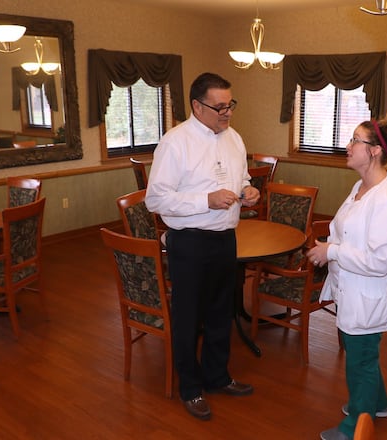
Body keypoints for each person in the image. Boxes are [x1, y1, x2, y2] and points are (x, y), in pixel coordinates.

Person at [145, 72, 261, 421]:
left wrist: (249, 190)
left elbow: (241, 178)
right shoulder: (174, 142)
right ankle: (191, 388)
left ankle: (217, 376)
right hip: (190, 243)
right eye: (219, 107)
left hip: (226, 239)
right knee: (188, 317)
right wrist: (205, 200)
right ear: (197, 106)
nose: (227, 113)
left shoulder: (234, 138)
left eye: (230, 105)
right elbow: (156, 200)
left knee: (220, 313)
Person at [305, 110, 387, 440]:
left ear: (374, 151)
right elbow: (345, 231)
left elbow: (380, 260)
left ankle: (354, 429)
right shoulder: (361, 187)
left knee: (360, 360)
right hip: (354, 290)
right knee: (363, 352)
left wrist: (331, 252)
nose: (347, 145)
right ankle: (377, 403)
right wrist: (328, 246)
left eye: (355, 140)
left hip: (368, 295)